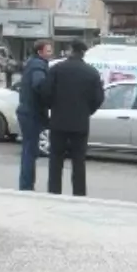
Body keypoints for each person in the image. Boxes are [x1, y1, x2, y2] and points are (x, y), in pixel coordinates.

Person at [42, 39, 103, 196]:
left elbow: (46, 93)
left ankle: (54, 192)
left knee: (55, 159)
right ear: (83, 53)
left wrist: (53, 107)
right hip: (80, 123)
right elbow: (98, 98)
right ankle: (79, 194)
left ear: (70, 50)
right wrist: (87, 111)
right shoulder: (92, 72)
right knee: (79, 161)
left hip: (58, 121)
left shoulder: (56, 69)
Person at [17, 40, 53, 192]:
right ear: (40, 52)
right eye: (49, 50)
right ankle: (26, 186)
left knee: (29, 149)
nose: (51, 53)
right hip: (32, 113)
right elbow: (39, 84)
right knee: (30, 151)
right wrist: (50, 97)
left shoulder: (33, 63)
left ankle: (26, 184)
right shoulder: (38, 65)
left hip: (27, 111)